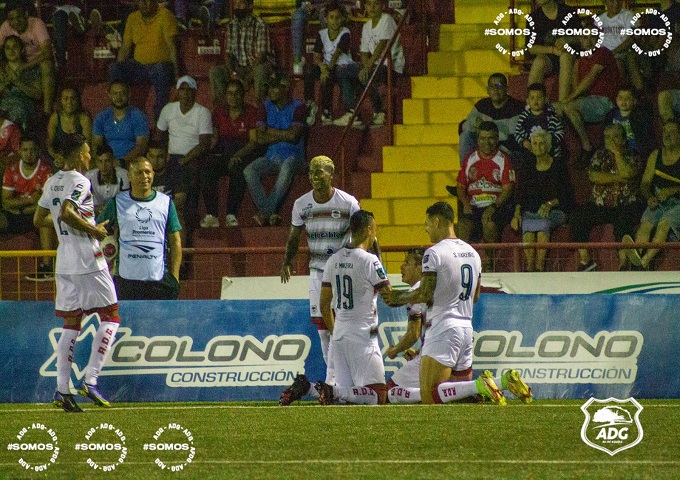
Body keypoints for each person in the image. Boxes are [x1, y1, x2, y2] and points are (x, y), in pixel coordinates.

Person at [33, 133, 121, 412]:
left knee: (71, 323)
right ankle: (90, 380)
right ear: (78, 155)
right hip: (87, 259)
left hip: (64, 259)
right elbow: (67, 213)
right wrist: (94, 230)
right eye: (86, 152)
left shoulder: (52, 182)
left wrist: (65, 228)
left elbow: (39, 218)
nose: (89, 156)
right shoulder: (80, 181)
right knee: (111, 315)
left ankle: (62, 389)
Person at [385, 248, 532, 405]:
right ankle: (502, 381)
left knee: (392, 391)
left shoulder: (417, 292)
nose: (402, 267)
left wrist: (395, 350)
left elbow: (413, 334)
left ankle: (479, 385)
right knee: (458, 395)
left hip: (441, 342)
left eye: (407, 263)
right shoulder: (444, 284)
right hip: (464, 333)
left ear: (420, 268)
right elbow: (475, 296)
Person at [382, 201, 492, 405]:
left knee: (430, 396)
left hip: (443, 328)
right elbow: (475, 296)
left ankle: (479, 386)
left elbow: (425, 293)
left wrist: (398, 298)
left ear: (437, 221)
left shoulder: (434, 253)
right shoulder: (473, 253)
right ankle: (476, 387)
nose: (426, 229)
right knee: (459, 400)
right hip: (466, 328)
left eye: (427, 224)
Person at [278, 155, 360, 406]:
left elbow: (366, 232)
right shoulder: (301, 204)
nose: (314, 176)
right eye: (311, 172)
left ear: (331, 173)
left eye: (319, 171)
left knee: (341, 327)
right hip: (316, 273)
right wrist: (287, 261)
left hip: (342, 272)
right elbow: (294, 236)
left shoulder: (348, 203)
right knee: (324, 330)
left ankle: (334, 382)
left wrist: (373, 263)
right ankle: (333, 383)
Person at [313, 210, 392, 405]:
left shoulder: (333, 260)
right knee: (378, 395)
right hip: (363, 335)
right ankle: (332, 391)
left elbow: (324, 304)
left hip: (340, 334)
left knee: (349, 399)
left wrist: (335, 331)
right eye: (375, 230)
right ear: (368, 230)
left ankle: (314, 388)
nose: (375, 234)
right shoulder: (369, 261)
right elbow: (389, 295)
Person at [98, 156, 182, 300]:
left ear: (153, 174)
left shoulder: (166, 203)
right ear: (129, 176)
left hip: (159, 280)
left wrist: (175, 277)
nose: (144, 176)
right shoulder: (117, 202)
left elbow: (175, 242)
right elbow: (96, 230)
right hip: (126, 281)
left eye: (147, 172)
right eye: (138, 173)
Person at [569, 123, 643, 271]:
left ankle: (624, 264)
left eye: (615, 137)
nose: (610, 140)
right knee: (578, 216)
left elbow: (628, 173)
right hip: (600, 205)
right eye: (607, 137)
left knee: (623, 222)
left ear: (623, 139)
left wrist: (617, 153)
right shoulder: (599, 155)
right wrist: (619, 178)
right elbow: (594, 176)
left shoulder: (633, 155)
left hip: (625, 205)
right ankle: (586, 261)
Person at [244, 71, 306, 227]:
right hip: (272, 156)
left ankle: (264, 213)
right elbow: (259, 138)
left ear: (285, 88)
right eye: (269, 87)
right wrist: (285, 134)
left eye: (274, 87)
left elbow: (294, 137)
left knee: (288, 164)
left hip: (295, 157)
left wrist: (269, 130)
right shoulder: (265, 106)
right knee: (249, 170)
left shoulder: (298, 107)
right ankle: (270, 213)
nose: (270, 91)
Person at [201, 79, 263, 228]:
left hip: (244, 151)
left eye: (237, 93)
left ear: (243, 95)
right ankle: (212, 215)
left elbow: (254, 141)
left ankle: (231, 214)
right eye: (229, 93)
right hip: (224, 150)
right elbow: (215, 137)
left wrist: (238, 155)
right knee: (207, 168)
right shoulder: (219, 112)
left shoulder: (251, 112)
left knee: (238, 168)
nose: (233, 97)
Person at [555, 22, 619, 162]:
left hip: (605, 101)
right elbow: (576, 85)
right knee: (555, 108)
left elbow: (591, 77)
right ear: (580, 40)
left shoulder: (603, 53)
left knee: (567, 106)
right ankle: (561, 149)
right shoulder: (579, 61)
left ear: (598, 39)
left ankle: (587, 147)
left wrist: (567, 99)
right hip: (588, 102)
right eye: (585, 37)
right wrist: (565, 102)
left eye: (592, 37)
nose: (589, 41)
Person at [456, 121, 516, 271]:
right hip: (473, 206)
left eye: (491, 138)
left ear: (497, 139)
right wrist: (465, 204)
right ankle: (462, 265)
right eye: (483, 138)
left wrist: (493, 206)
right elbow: (460, 186)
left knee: (489, 224)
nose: (487, 142)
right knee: (462, 227)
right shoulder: (470, 158)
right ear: (477, 139)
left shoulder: (503, 159)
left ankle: (490, 263)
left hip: (495, 206)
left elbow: (508, 189)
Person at [511, 129, 572, 272]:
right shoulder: (527, 167)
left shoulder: (558, 166)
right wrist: (516, 214)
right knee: (528, 229)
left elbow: (567, 195)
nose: (538, 147)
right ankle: (530, 268)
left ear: (549, 146)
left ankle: (540, 267)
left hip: (555, 211)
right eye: (535, 143)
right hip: (531, 211)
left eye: (542, 143)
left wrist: (550, 203)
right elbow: (520, 194)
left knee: (542, 226)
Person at [338, 0, 405, 126]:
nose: (372, 7)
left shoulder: (387, 19)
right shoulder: (366, 26)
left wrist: (367, 68)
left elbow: (382, 44)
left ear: (382, 6)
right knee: (342, 70)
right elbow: (364, 52)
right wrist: (365, 67)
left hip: (391, 66)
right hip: (374, 65)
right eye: (369, 4)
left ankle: (379, 112)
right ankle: (352, 112)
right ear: (365, 7)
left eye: (376, 4)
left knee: (369, 73)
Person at [109, 0, 179, 120]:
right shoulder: (132, 18)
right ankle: (120, 113)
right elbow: (125, 48)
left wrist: (176, 74)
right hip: (139, 67)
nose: (144, 4)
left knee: (161, 69)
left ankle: (160, 118)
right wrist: (119, 66)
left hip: (160, 66)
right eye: (141, 1)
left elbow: (172, 46)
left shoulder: (165, 15)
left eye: (147, 1)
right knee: (114, 67)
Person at [624, 121, 680, 270]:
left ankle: (643, 263)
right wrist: (649, 197)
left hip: (678, 204)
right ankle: (637, 262)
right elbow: (645, 184)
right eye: (665, 131)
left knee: (663, 224)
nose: (667, 135)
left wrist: (673, 190)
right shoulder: (655, 155)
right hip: (659, 200)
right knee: (645, 226)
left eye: (672, 132)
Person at [1, 136, 55, 280]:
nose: (29, 153)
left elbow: (45, 203)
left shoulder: (46, 170)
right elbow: (5, 202)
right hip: (14, 214)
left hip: (34, 215)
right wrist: (30, 200)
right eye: (25, 150)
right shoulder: (11, 170)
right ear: (19, 151)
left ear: (38, 151)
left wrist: (21, 205)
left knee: (46, 219)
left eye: (32, 150)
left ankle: (47, 267)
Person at [156, 75, 212, 213]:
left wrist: (185, 159)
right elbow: (159, 136)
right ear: (178, 91)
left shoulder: (202, 112)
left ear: (195, 92)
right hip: (172, 156)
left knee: (189, 172)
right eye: (182, 89)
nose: (186, 93)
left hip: (195, 156)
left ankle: (189, 214)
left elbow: (204, 144)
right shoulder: (168, 109)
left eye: (189, 90)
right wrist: (164, 154)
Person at [302, 2, 358, 127]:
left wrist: (326, 70)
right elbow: (316, 56)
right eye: (331, 17)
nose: (334, 21)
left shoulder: (345, 32)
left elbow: (337, 54)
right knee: (309, 70)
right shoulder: (321, 33)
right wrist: (322, 66)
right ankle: (310, 103)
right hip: (327, 65)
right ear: (326, 19)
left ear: (342, 19)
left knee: (328, 75)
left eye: (337, 18)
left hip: (342, 66)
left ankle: (326, 111)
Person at [209, 0, 274, 104]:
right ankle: (222, 109)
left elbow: (262, 55)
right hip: (238, 67)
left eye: (241, 3)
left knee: (261, 71)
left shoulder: (260, 24)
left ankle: (260, 108)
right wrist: (233, 73)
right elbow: (228, 53)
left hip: (257, 65)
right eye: (236, 3)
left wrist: (249, 77)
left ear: (250, 6)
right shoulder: (231, 25)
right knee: (216, 72)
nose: (237, 6)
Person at [0, 0, 55, 114]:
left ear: (25, 14)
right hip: (16, 63)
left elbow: (47, 52)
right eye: (11, 19)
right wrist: (5, 68)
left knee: (47, 65)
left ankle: (47, 112)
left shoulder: (36, 24)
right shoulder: (5, 26)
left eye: (19, 17)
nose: (16, 22)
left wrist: (24, 67)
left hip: (37, 62)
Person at [457, 73, 524, 162]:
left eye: (499, 85)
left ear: (507, 89)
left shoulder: (517, 107)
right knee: (465, 136)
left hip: (507, 150)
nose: (495, 89)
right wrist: (475, 122)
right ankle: (466, 168)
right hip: (485, 146)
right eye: (492, 86)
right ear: (487, 90)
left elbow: (514, 140)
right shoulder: (481, 106)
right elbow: (462, 128)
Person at [525, 0, 578, 102]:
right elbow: (531, 48)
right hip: (549, 57)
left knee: (565, 57)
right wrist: (552, 50)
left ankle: (562, 103)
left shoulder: (568, 12)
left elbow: (581, 38)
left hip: (570, 55)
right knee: (539, 62)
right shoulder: (533, 17)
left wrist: (567, 40)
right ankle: (531, 104)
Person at [92, 81, 150, 168]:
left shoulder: (138, 116)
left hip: (131, 164)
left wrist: (122, 162)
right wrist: (104, 162)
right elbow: (96, 144)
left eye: (122, 93)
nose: (118, 97)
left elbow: (141, 146)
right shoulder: (101, 117)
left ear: (129, 94)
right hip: (107, 163)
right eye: (115, 93)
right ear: (109, 95)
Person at [147, 141, 187, 248]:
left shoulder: (176, 173)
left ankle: (180, 257)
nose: (155, 161)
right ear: (147, 157)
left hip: (169, 212)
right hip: (147, 213)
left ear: (167, 157)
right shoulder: (143, 175)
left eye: (159, 157)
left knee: (177, 216)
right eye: (152, 156)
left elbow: (180, 199)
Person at [0, 35, 42, 133]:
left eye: (15, 47)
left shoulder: (32, 69)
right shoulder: (1, 70)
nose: (11, 51)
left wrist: (17, 82)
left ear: (22, 50)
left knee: (17, 111)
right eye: (8, 48)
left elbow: (38, 95)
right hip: (3, 104)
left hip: (23, 105)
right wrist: (3, 85)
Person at [513, 82, 564, 162]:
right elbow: (517, 133)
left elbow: (560, 132)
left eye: (539, 98)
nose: (536, 100)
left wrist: (550, 142)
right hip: (530, 153)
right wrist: (523, 142)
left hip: (550, 154)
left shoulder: (551, 116)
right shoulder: (524, 117)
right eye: (532, 98)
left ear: (545, 99)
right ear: (527, 101)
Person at [604, 87, 655, 161]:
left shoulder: (639, 116)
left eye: (627, 98)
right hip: (614, 150)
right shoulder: (610, 115)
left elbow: (646, 137)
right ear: (616, 99)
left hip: (634, 152)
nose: (623, 100)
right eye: (620, 97)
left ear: (634, 101)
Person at [47, 87, 92, 170]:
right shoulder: (55, 117)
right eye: (66, 99)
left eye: (73, 98)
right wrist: (56, 156)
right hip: (59, 159)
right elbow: (49, 142)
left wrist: (72, 159)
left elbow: (87, 144)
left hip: (79, 159)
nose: (69, 102)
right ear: (60, 100)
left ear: (78, 100)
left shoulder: (84, 118)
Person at [84, 145, 130, 214]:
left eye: (107, 161)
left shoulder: (124, 175)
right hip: (96, 213)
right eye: (100, 161)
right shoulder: (89, 176)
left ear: (113, 161)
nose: (104, 166)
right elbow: (84, 204)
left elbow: (126, 201)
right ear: (96, 162)